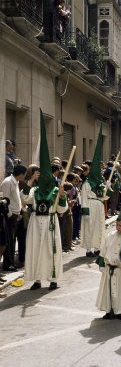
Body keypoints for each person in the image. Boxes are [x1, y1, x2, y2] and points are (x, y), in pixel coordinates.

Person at [22, 111, 68, 290]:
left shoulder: (56, 190)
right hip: (35, 223)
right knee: (35, 251)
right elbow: (25, 198)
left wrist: (63, 196)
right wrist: (31, 180)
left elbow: (62, 210)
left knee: (50, 251)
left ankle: (53, 279)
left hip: (50, 223)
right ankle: (37, 279)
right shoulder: (34, 189)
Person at [81, 127, 113, 257]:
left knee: (99, 228)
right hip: (90, 206)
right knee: (90, 228)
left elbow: (105, 198)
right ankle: (89, 249)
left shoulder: (100, 183)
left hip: (99, 206)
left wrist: (109, 188)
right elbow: (83, 197)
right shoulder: (87, 183)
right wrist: (85, 211)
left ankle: (98, 247)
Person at [0, 164, 27, 271]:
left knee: (12, 240)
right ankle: (7, 264)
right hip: (10, 216)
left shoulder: (16, 182)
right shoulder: (8, 182)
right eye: (24, 173)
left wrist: (19, 212)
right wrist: (11, 214)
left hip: (16, 215)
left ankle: (11, 262)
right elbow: (6, 199)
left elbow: (16, 199)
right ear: (21, 173)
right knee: (9, 241)